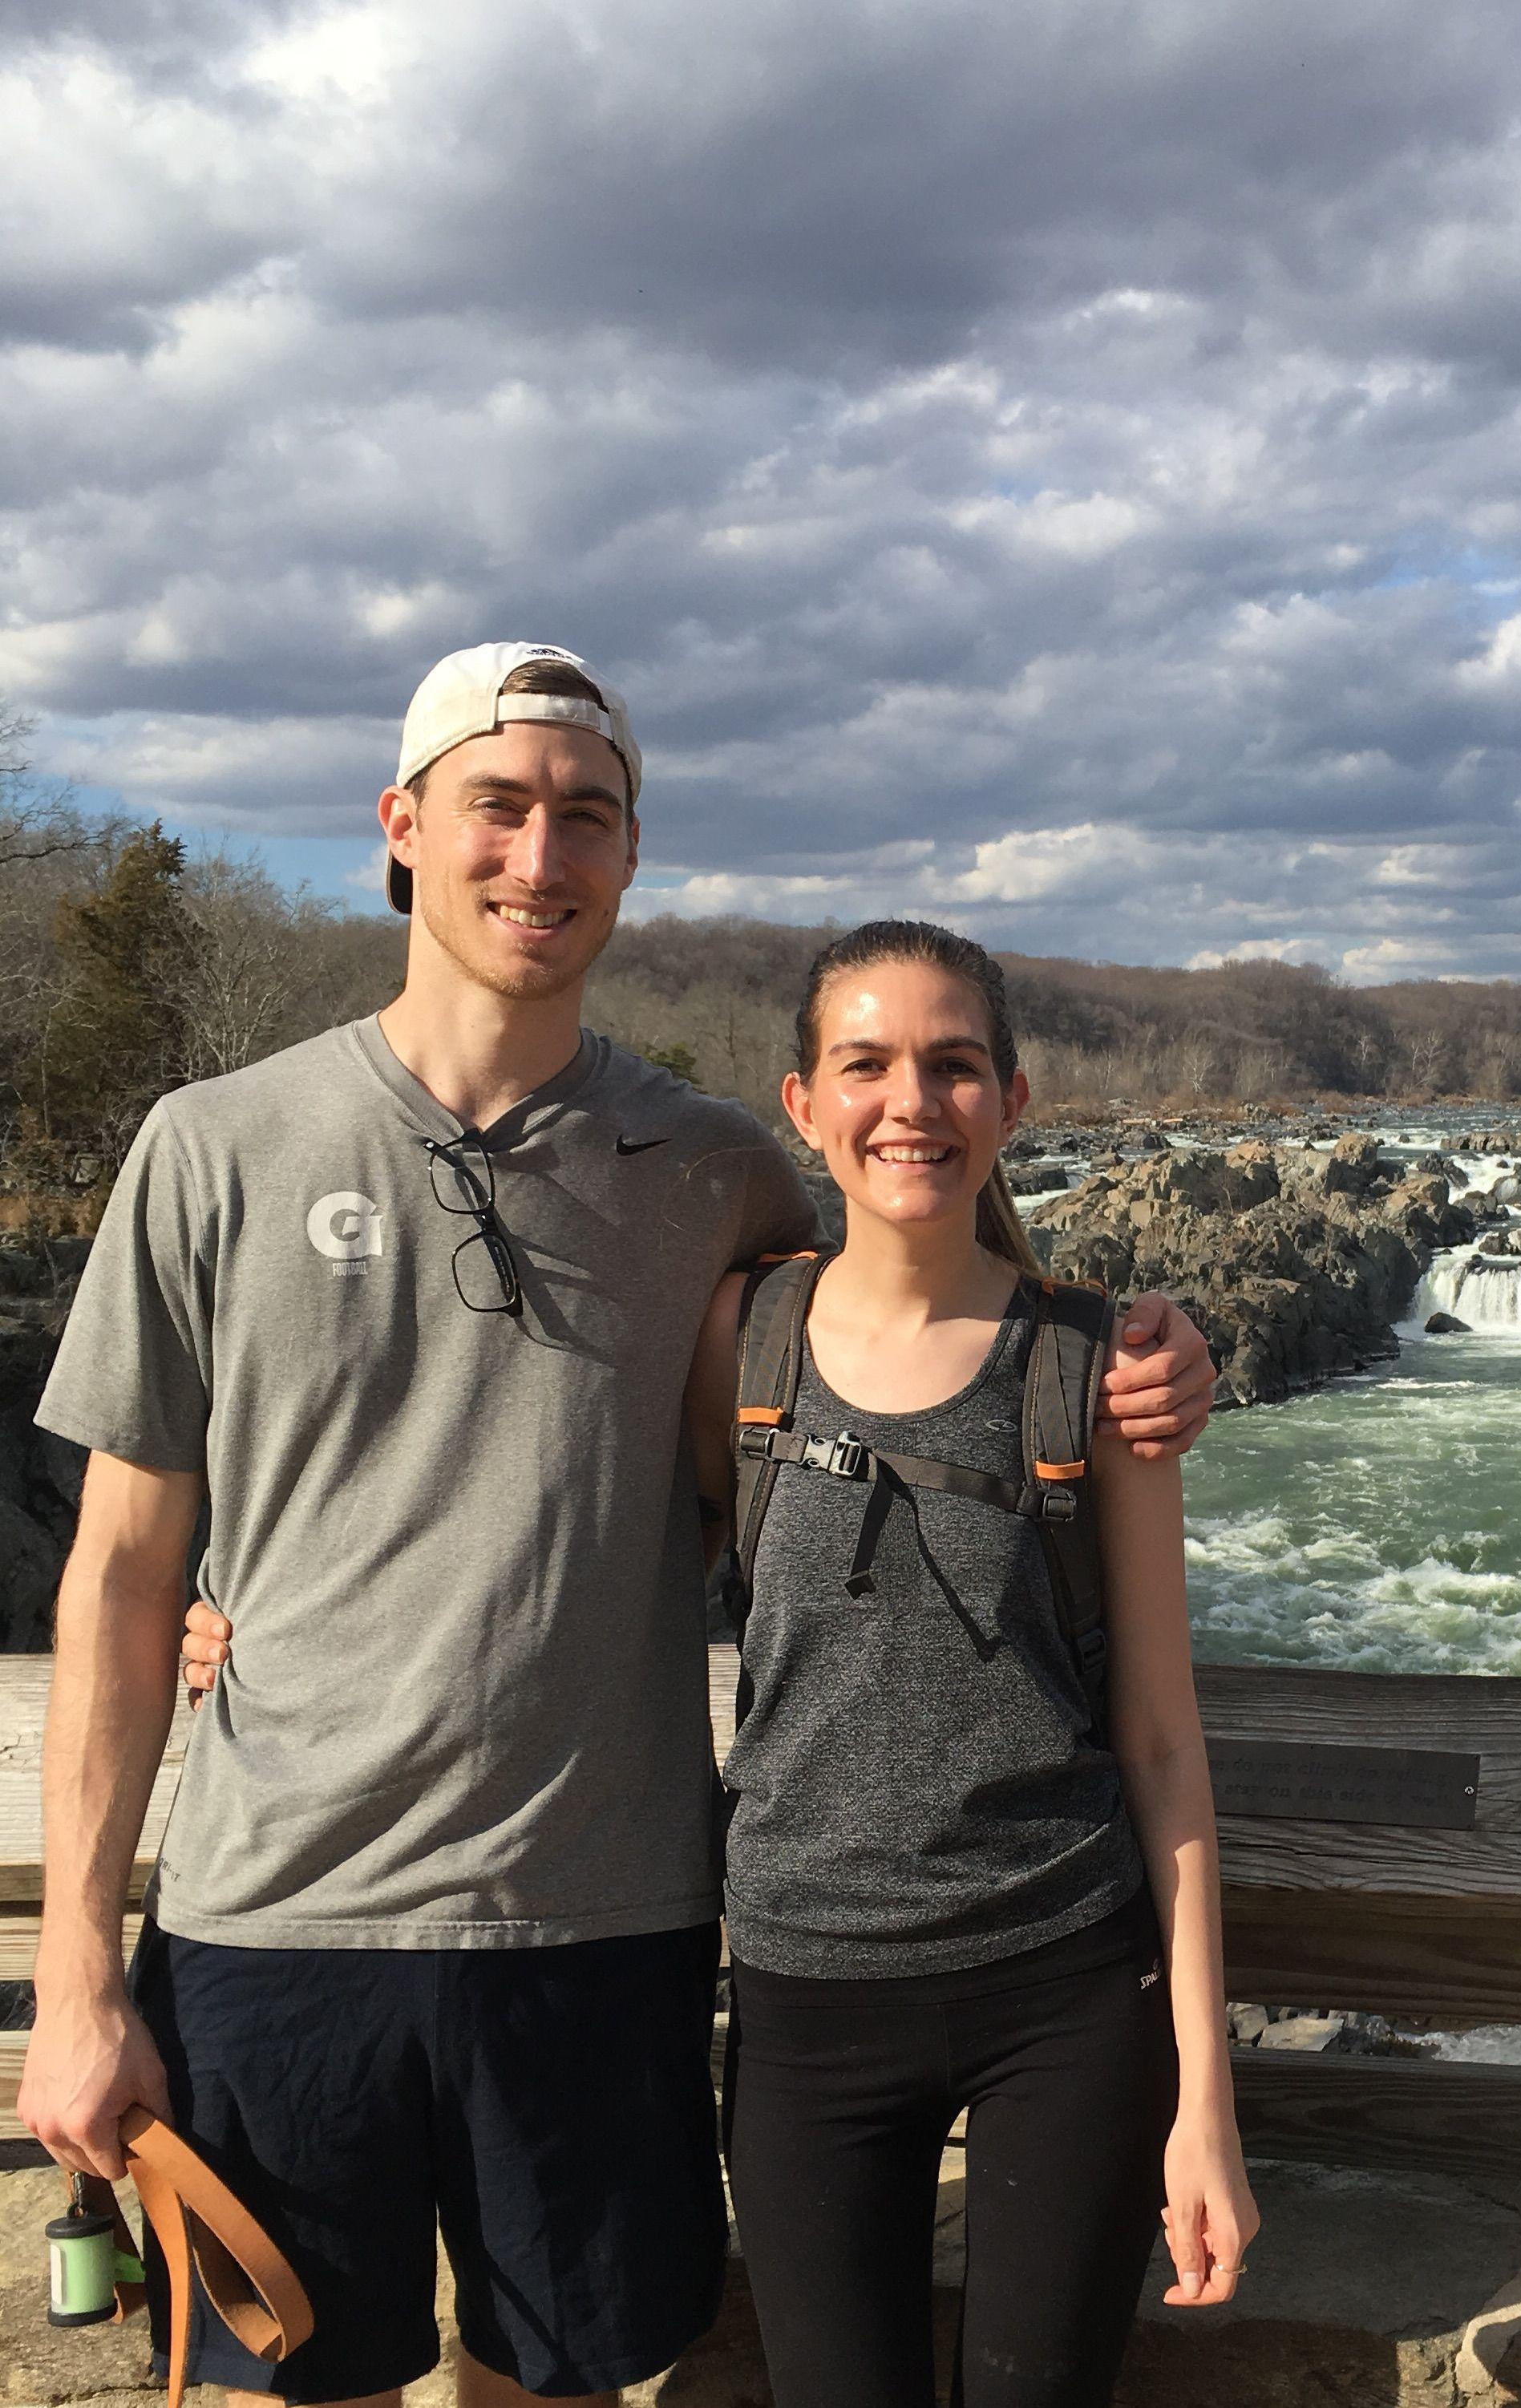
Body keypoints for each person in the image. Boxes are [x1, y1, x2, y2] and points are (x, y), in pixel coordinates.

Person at [21, 641, 1216, 2408]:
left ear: (631, 857)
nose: (539, 854)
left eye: (586, 814)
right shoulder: (215, 1147)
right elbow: (121, 1575)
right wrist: (76, 1967)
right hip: (273, 1922)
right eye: (499, 804)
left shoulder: (716, 1163)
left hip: (600, 1932)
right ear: (403, 824)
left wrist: (1149, 1345)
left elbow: (922, 1303)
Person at [686, 918, 1257, 2408]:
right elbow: (560, 1546)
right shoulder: (738, 1348)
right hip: (806, 1994)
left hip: (1064, 1987)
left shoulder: (1096, 1368)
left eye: (952, 1067)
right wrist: (228, 1600)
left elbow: (1162, 1746)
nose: (911, 1104)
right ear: (803, 1105)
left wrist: (1208, 2101)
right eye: (865, 1065)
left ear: (1013, 1098)